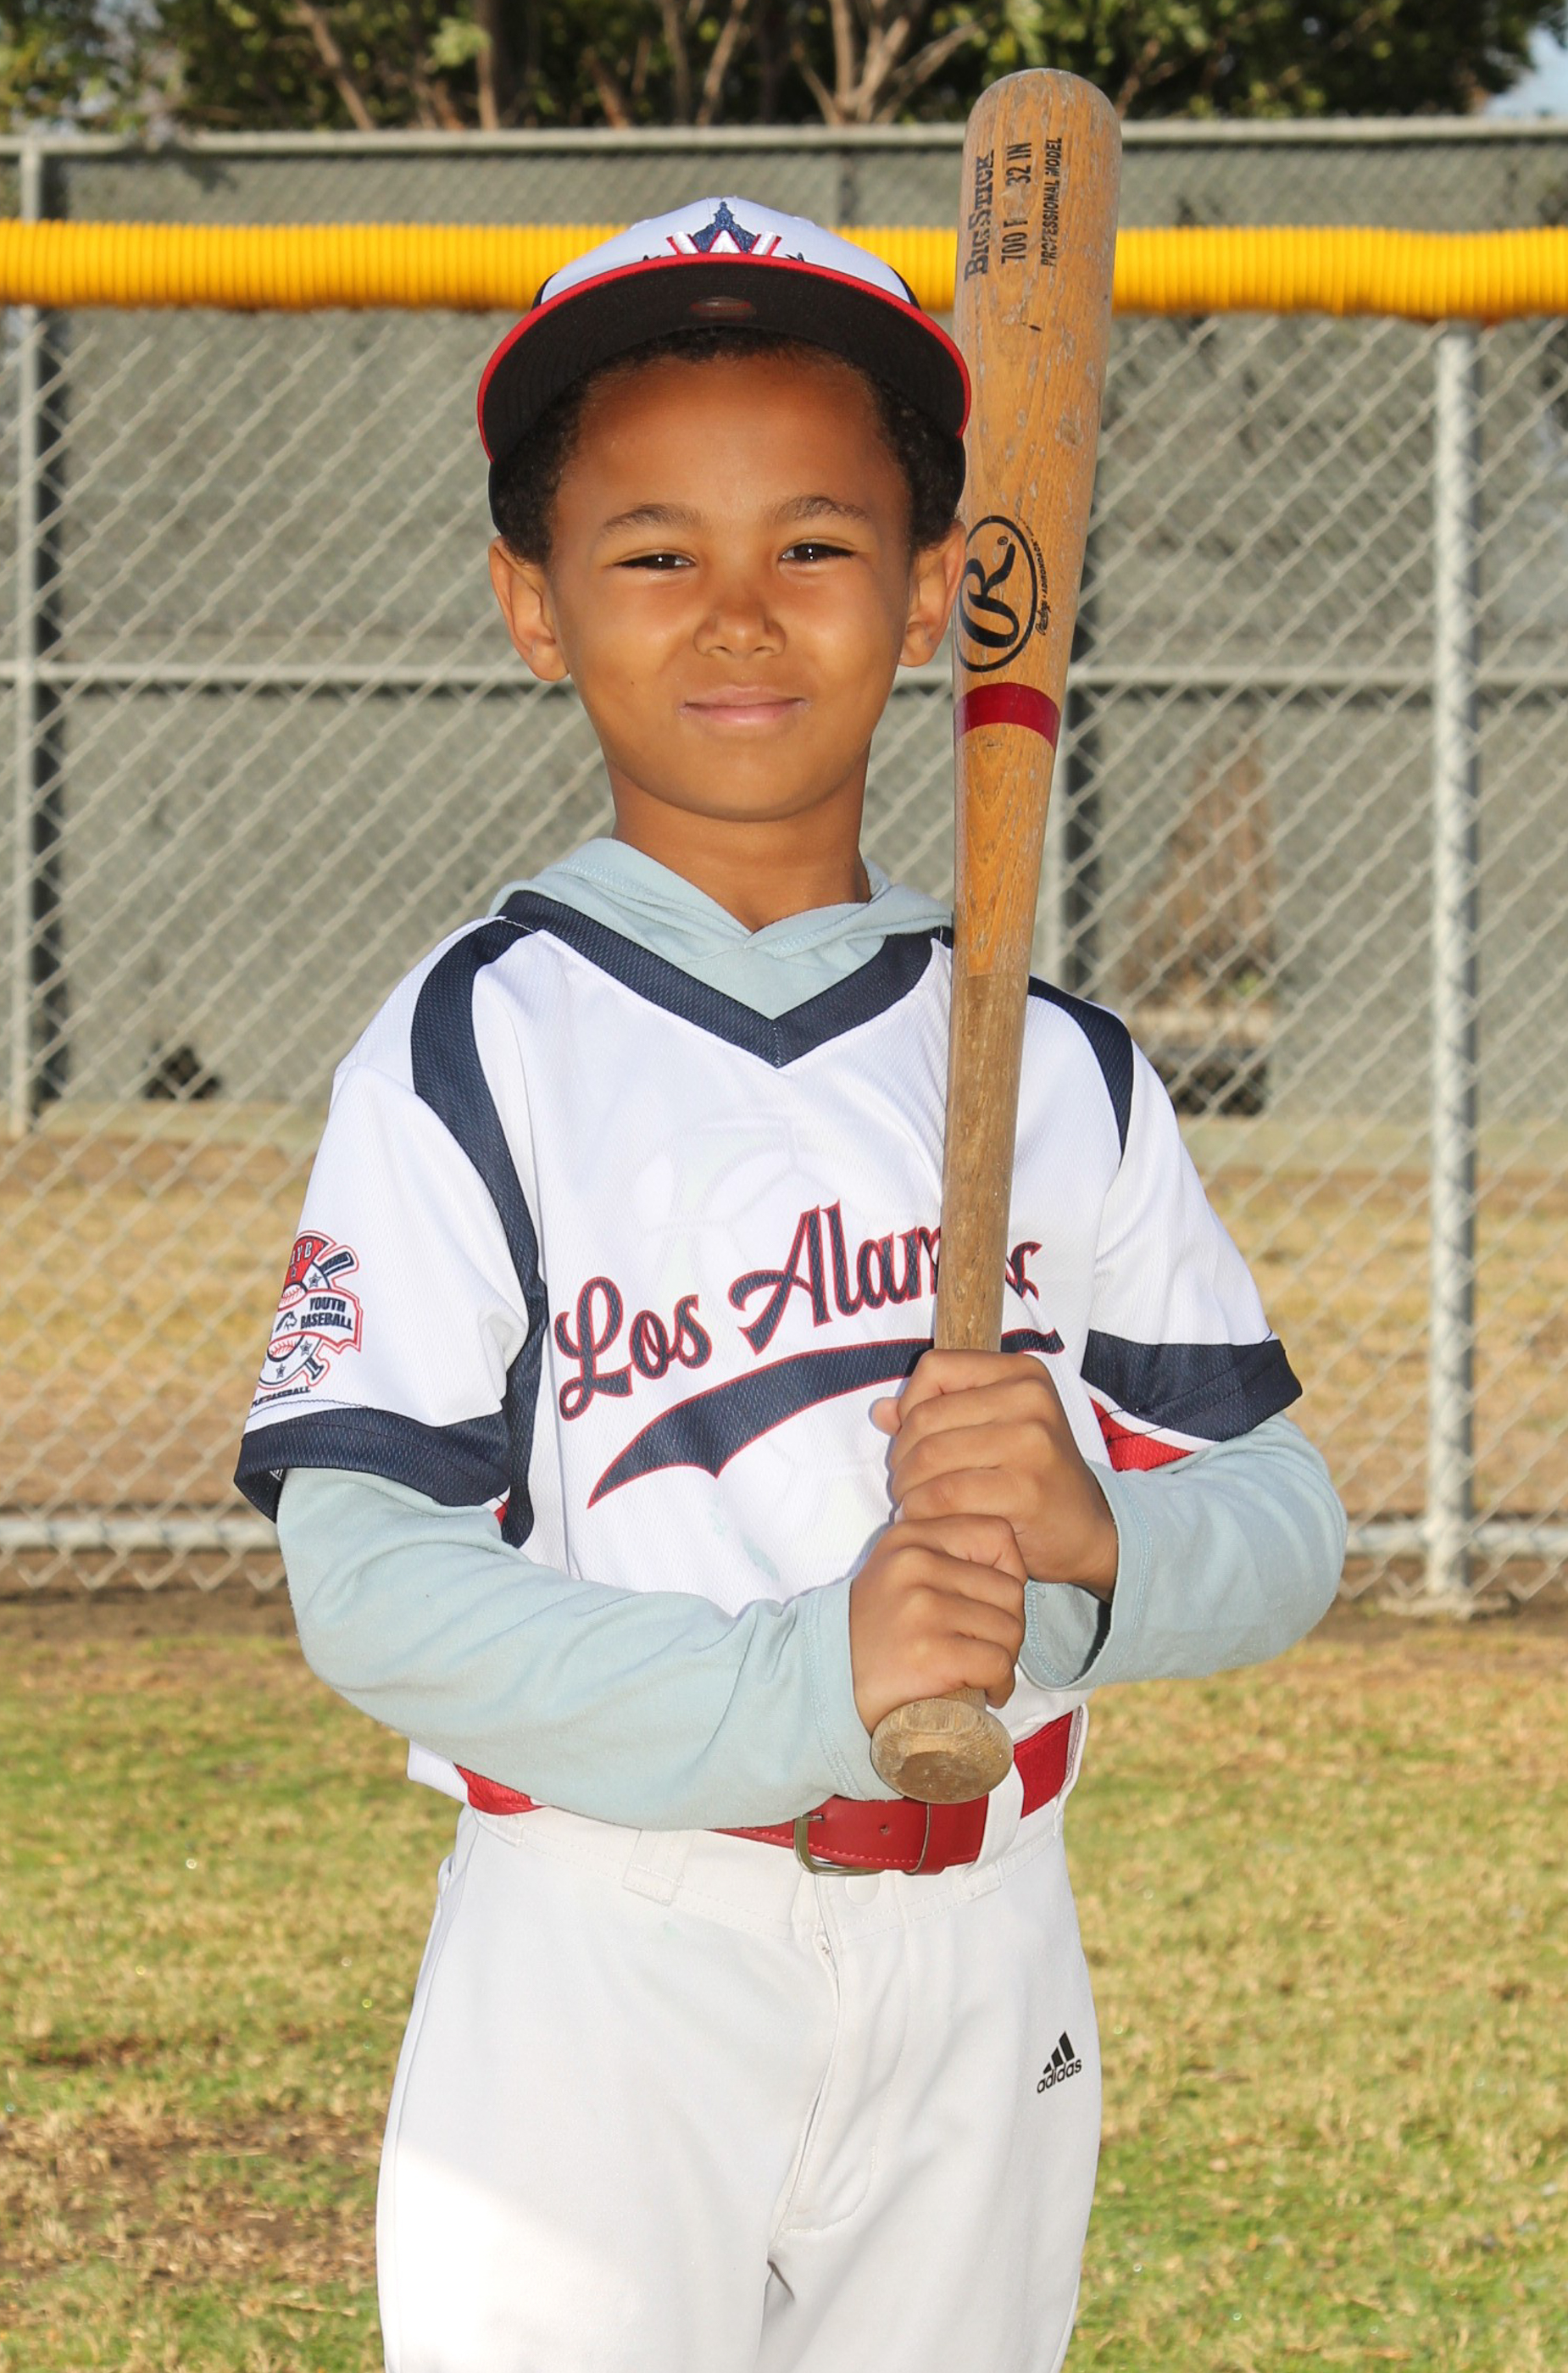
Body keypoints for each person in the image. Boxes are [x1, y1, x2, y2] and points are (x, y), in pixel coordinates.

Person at [236, 197, 1345, 2373]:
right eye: (654, 550)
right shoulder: (478, 1042)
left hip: (985, 1943)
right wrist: (803, 1677)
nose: (739, 610)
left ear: (935, 593)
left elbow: (1286, 1522)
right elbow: (367, 1584)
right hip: (609, 1939)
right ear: (533, 606)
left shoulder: (1057, 1062)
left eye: (817, 543)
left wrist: (1097, 1540)